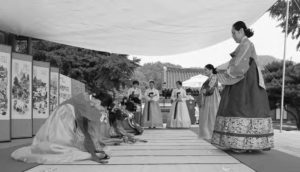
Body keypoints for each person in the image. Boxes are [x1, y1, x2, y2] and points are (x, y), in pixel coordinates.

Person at [211, 21, 274, 152]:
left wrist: (226, 70)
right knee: (250, 107)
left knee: (239, 106)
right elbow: (236, 62)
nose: (233, 36)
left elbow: (239, 65)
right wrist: (225, 68)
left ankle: (240, 143)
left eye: (234, 33)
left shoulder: (246, 44)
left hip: (245, 79)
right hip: (248, 79)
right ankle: (249, 143)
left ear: (241, 31)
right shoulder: (244, 44)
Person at [11, 93, 110, 164]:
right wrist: (93, 153)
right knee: (61, 146)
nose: (102, 109)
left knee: (71, 143)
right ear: (98, 100)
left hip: (66, 121)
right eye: (103, 106)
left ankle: (90, 152)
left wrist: (94, 149)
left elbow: (86, 129)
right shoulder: (83, 102)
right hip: (62, 122)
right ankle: (88, 154)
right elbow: (85, 130)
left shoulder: (88, 102)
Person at [198, 64, 220, 140]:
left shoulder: (214, 77)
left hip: (212, 96)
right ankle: (207, 132)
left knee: (212, 113)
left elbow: (211, 87)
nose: (204, 71)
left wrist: (203, 91)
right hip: (208, 96)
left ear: (211, 70)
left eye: (206, 70)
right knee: (207, 113)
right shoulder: (209, 78)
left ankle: (212, 132)